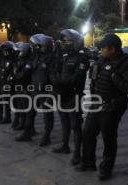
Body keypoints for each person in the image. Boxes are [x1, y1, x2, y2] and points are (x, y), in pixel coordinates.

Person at [76, 34, 128, 181]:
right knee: (88, 132)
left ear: (112, 49)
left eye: (103, 48)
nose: (100, 51)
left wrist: (114, 76)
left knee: (108, 138)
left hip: (111, 107)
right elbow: (95, 80)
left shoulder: (126, 63)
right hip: (96, 104)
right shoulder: (101, 60)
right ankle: (88, 162)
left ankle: (106, 169)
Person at [50, 29, 89, 166]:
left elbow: (76, 78)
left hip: (73, 95)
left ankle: (77, 153)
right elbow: (56, 70)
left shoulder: (82, 58)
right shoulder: (65, 56)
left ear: (76, 42)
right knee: (64, 121)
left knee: (75, 125)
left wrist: (59, 82)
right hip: (62, 94)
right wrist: (55, 79)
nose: (65, 43)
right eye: (64, 41)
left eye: (68, 41)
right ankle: (65, 146)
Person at [15, 34, 55, 145]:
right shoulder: (36, 57)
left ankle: (47, 136)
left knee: (47, 115)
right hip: (34, 90)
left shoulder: (51, 58)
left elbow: (52, 77)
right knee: (30, 112)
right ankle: (28, 132)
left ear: (44, 46)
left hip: (46, 91)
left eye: (37, 45)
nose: (35, 47)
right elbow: (29, 71)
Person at [9, 42, 32, 131]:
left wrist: (14, 76)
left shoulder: (28, 61)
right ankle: (22, 124)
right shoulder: (20, 60)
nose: (18, 53)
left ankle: (29, 128)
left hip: (25, 88)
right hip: (19, 87)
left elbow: (23, 74)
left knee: (26, 110)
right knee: (20, 107)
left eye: (20, 51)